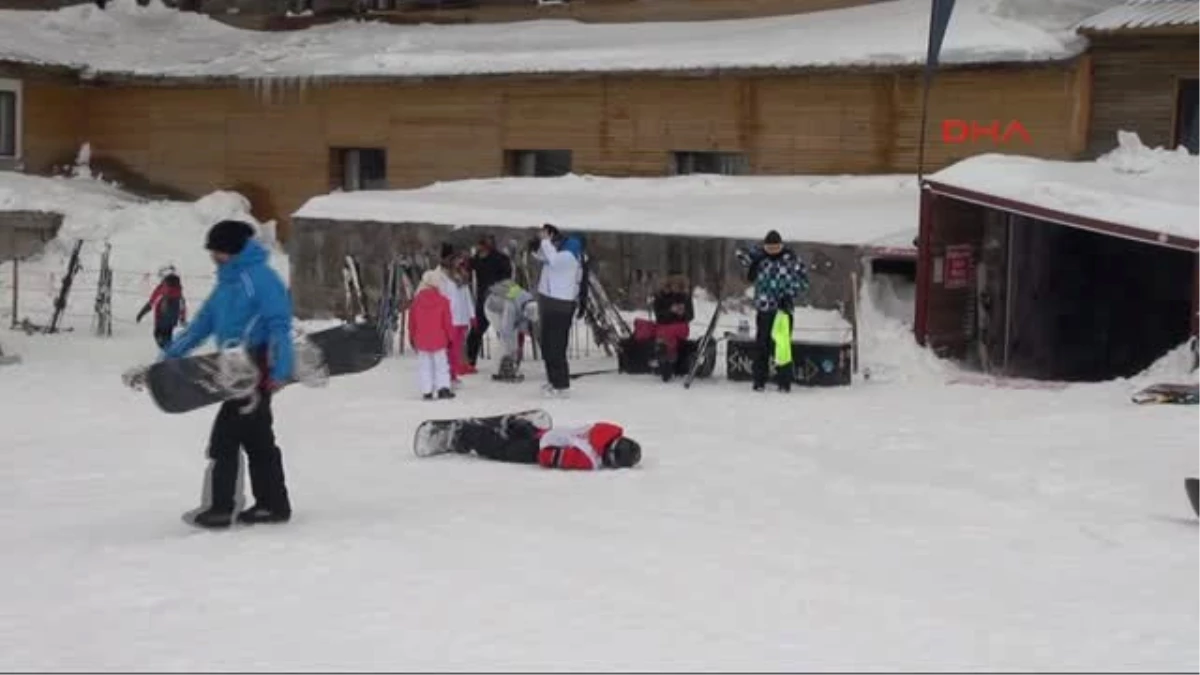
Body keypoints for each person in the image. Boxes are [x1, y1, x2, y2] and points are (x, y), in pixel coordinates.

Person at [159, 220, 295, 529]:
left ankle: (222, 508)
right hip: (232, 367)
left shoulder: (261, 279)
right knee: (257, 439)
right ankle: (272, 505)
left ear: (233, 250)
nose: (213, 257)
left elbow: (279, 324)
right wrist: (169, 357)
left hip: (255, 367)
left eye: (218, 251)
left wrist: (281, 369)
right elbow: (201, 325)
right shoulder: (226, 283)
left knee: (225, 439)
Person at [735, 230, 809, 392]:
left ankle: (784, 381)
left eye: (776, 248)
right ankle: (759, 380)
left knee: (782, 346)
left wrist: (789, 294)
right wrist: (754, 256)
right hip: (764, 307)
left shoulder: (791, 260)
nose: (773, 251)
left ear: (781, 246)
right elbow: (741, 254)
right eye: (770, 248)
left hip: (784, 309)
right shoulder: (760, 257)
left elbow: (804, 281)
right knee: (762, 344)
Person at [454, 416, 642, 470]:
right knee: (503, 450)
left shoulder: (606, 431)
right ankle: (466, 434)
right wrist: (548, 458)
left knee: (532, 437)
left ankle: (517, 426)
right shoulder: (589, 459)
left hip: (552, 434)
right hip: (542, 447)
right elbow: (549, 458)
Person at [531, 223, 586, 396]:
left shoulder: (569, 257)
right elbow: (543, 257)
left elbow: (553, 260)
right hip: (549, 302)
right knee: (547, 343)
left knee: (556, 345)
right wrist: (538, 244)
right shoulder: (561, 254)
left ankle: (561, 385)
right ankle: (552, 380)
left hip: (560, 305)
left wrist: (546, 241)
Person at [408, 269, 457, 400]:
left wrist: (412, 338)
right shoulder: (443, 301)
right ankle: (443, 389)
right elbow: (447, 322)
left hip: (421, 339)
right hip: (439, 339)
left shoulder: (416, 301)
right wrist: (451, 338)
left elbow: (412, 322)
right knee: (441, 365)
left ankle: (427, 391)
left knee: (424, 366)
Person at [466, 234, 513, 368]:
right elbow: (468, 268)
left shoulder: (501, 259)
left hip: (497, 298)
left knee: (501, 331)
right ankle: (470, 360)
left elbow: (507, 279)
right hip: (485, 299)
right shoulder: (478, 259)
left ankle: (506, 361)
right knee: (477, 331)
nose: (481, 249)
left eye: (483, 246)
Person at [483, 278, 538, 382]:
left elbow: (524, 319)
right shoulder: (511, 306)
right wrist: (512, 350)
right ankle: (499, 368)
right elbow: (506, 331)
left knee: (513, 341)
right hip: (492, 309)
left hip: (506, 308)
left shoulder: (528, 300)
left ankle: (510, 365)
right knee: (506, 341)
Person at [438, 244, 475, 382]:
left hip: (462, 318)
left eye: (461, 259)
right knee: (449, 348)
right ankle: (447, 374)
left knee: (457, 348)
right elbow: (443, 297)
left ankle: (454, 373)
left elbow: (467, 296)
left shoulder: (463, 275)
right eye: (457, 259)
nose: (460, 262)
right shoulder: (444, 277)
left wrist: (472, 315)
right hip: (450, 318)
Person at [649, 273, 694, 381]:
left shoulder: (685, 297)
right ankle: (667, 360)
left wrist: (682, 313)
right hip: (664, 326)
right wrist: (670, 311)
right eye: (674, 286)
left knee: (667, 334)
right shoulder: (660, 297)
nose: (676, 290)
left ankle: (667, 358)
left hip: (680, 327)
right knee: (665, 332)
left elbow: (691, 316)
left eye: (679, 287)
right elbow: (659, 317)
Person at [137, 270, 188, 348]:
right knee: (168, 337)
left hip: (161, 319)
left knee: (158, 335)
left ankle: (169, 353)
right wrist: (182, 319)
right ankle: (171, 352)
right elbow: (182, 306)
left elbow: (151, 302)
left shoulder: (162, 288)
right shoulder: (179, 291)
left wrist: (141, 313)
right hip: (172, 320)